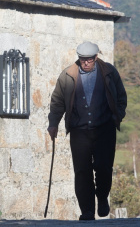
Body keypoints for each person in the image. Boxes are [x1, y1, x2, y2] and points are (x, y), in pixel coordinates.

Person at [47, 41, 127, 221]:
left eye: (90, 59)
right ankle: (88, 211)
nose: (86, 63)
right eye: (83, 59)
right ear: (79, 58)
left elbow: (121, 96)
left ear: (96, 57)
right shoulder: (68, 75)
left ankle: (102, 196)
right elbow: (57, 101)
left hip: (104, 128)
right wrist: (53, 123)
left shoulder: (109, 72)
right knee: (82, 171)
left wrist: (117, 116)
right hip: (79, 130)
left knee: (104, 167)